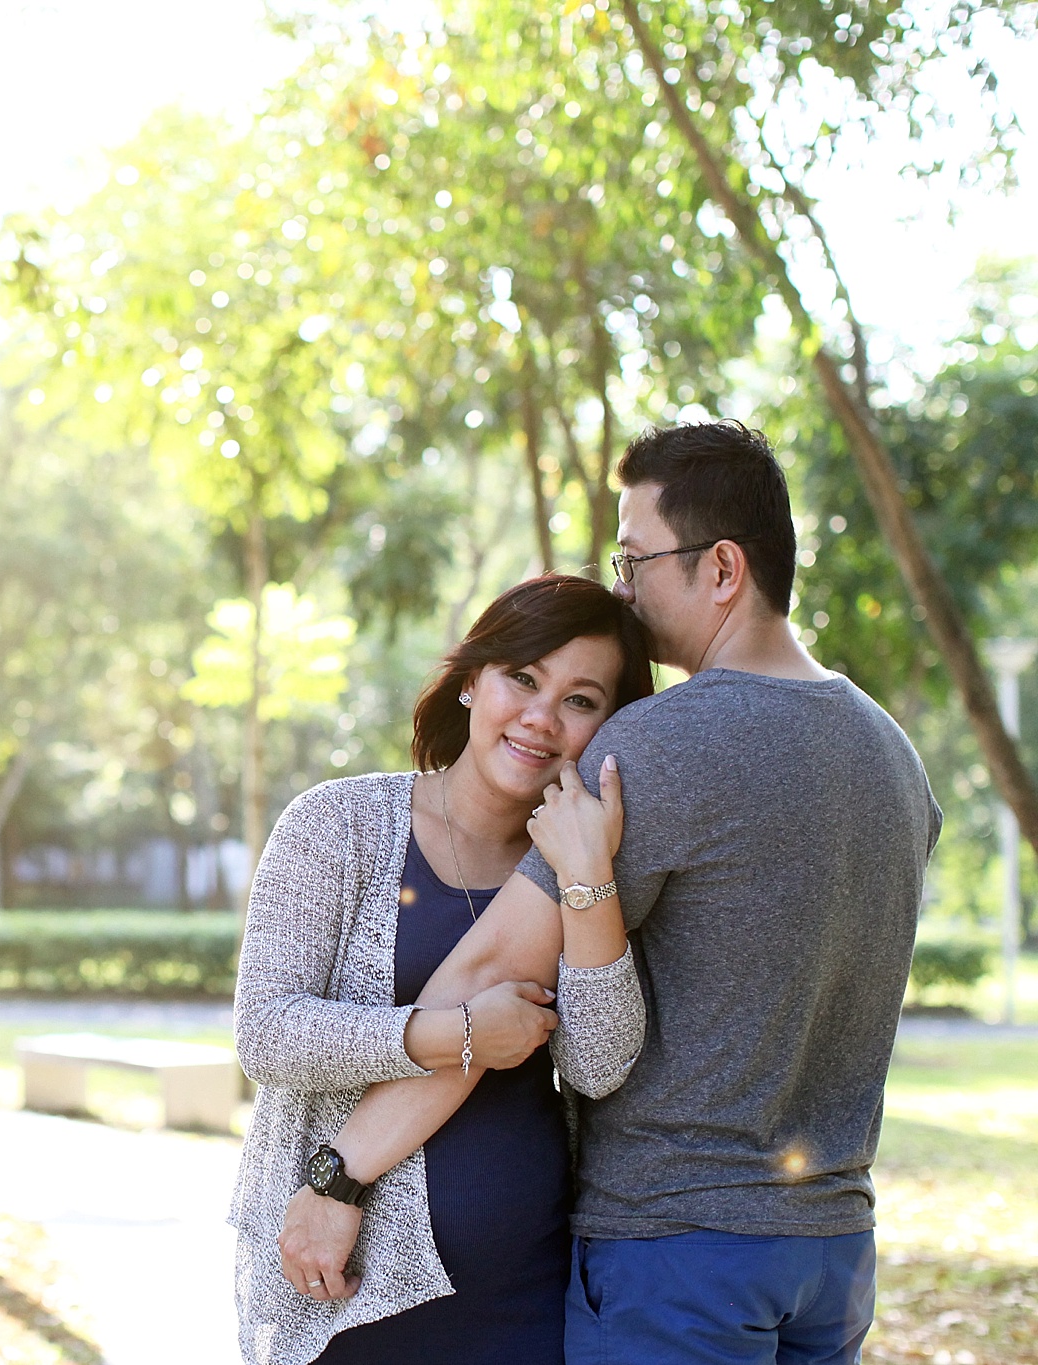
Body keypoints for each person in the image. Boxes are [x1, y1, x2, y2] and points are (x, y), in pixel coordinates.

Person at [279, 421, 941, 1365]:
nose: (623, 587)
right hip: (832, 1254)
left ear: (721, 569)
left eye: (636, 560)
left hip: (677, 1260)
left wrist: (339, 1178)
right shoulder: (892, 756)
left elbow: (489, 976)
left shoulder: (664, 745)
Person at [229, 572, 655, 1365]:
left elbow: (599, 1062)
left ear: (608, 726)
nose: (540, 717)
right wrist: (454, 1033)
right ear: (470, 681)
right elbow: (268, 1031)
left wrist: (587, 873)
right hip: (343, 1291)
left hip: (525, 1298)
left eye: (580, 699)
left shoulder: (578, 856)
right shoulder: (339, 825)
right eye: (522, 677)